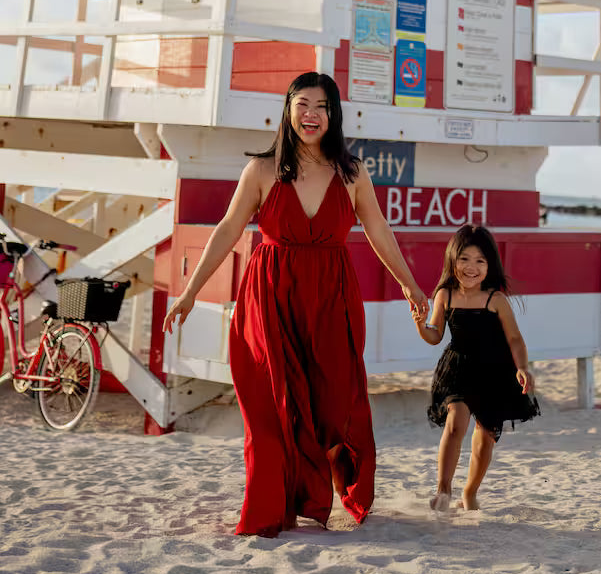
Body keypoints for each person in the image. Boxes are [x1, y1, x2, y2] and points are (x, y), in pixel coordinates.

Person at [162, 71, 429, 537]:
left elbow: (378, 231)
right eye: (303, 104)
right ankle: (269, 509)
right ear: (287, 110)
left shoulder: (351, 173)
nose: (312, 114)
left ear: (334, 115)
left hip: (331, 301)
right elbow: (227, 229)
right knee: (271, 408)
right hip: (270, 301)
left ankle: (332, 487)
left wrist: (409, 284)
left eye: (322, 106)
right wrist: (190, 292)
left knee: (335, 406)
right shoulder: (261, 170)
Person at [415, 222, 539, 511]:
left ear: (490, 264)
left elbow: (515, 338)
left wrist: (522, 367)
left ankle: (469, 493)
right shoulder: (445, 295)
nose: (471, 267)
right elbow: (435, 336)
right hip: (458, 368)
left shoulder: (496, 299)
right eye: (464, 259)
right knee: (455, 422)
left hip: (494, 372)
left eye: (480, 261)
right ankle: (443, 490)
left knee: (485, 437)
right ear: (452, 260)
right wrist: (421, 325)